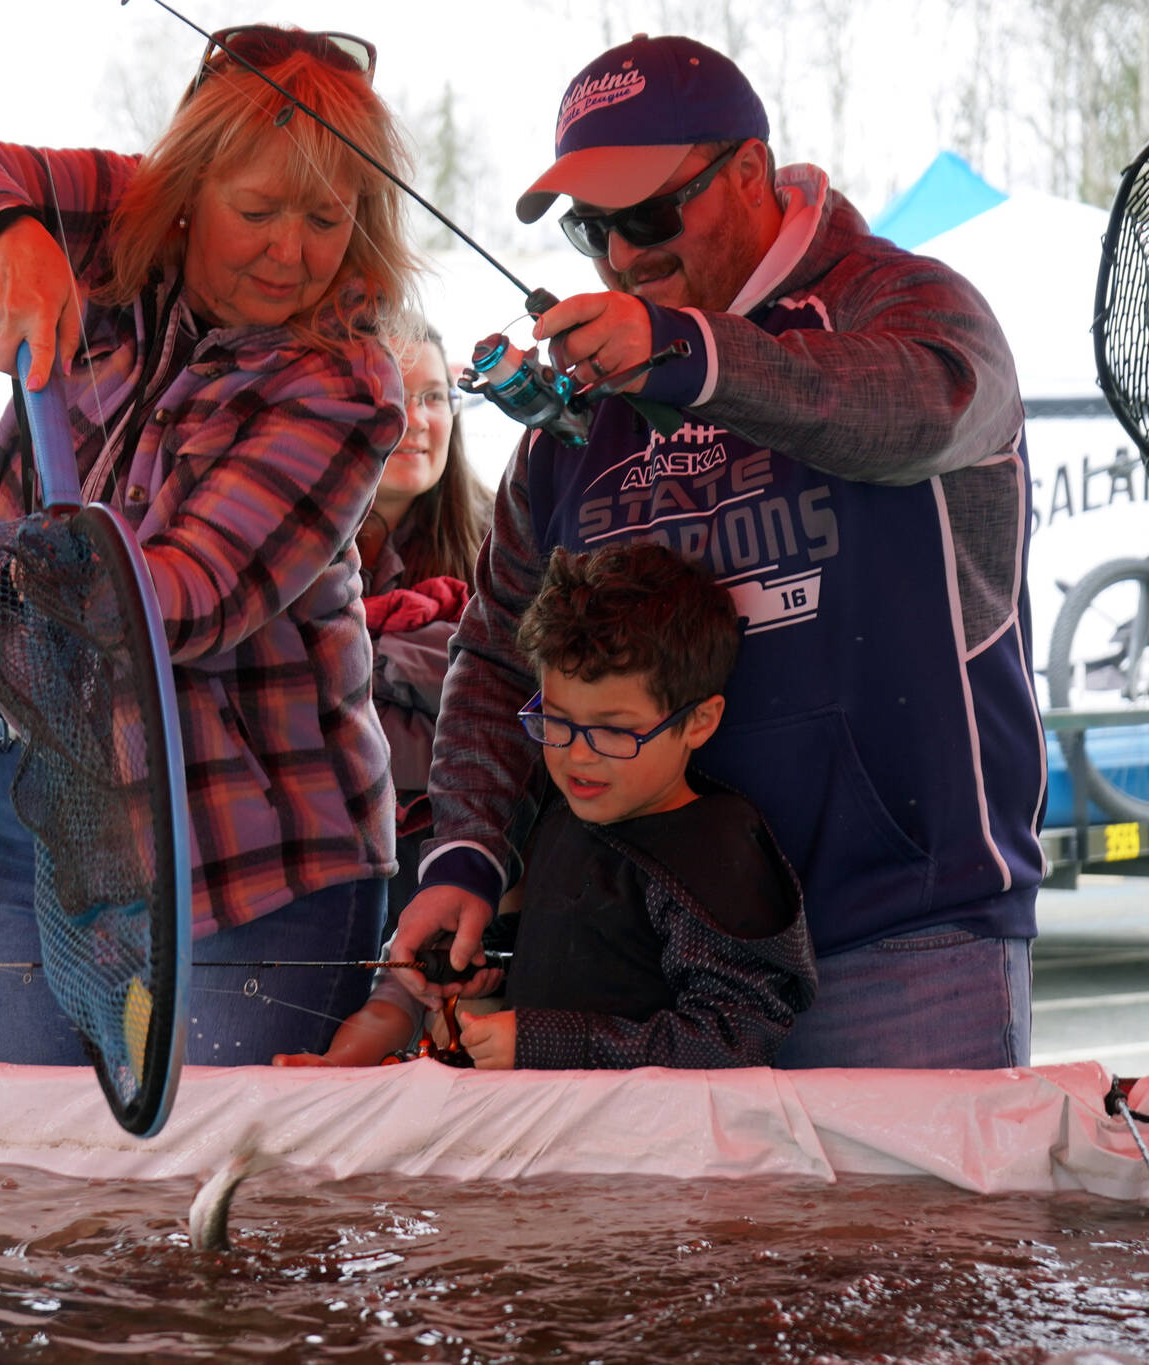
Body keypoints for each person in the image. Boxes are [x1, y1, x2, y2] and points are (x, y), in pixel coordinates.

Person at [395, 34, 1043, 1070]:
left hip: (901, 938)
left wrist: (690, 355)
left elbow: (922, 406)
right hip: (644, 964)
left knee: (908, 1243)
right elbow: (499, 655)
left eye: (647, 215)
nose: (618, 256)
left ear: (746, 173)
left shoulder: (905, 302)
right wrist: (464, 857)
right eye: (588, 228)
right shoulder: (582, 404)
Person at [0, 23, 415, 1064]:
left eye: (325, 219)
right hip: (48, 806)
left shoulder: (344, 382)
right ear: (186, 186)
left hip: (256, 845)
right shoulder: (110, 218)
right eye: (254, 211)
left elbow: (185, 600)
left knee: (223, 1192)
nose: (287, 252)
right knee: (38, 1179)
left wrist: (21, 579)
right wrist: (6, 237)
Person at [280, 542, 812, 1069]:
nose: (578, 756)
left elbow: (735, 1037)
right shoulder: (563, 812)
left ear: (699, 721)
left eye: (614, 730)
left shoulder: (718, 849)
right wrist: (489, 964)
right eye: (556, 721)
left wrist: (542, 1041)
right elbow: (588, 954)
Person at [357, 316, 490, 938]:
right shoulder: (286, 553)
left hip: (468, 867)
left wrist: (372, 655)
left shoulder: (502, 535)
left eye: (433, 396)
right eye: (393, 396)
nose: (417, 420)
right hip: (336, 861)